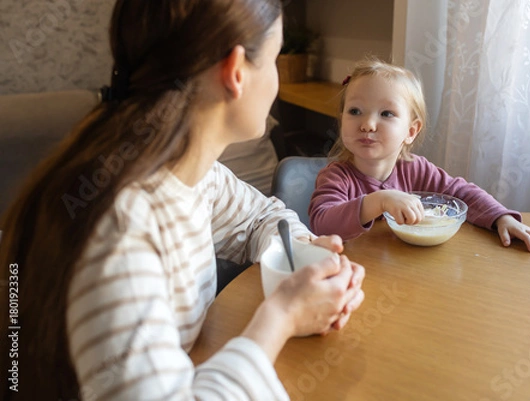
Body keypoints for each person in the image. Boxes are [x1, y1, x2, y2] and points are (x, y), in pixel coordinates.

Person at [0, 1, 365, 400]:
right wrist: (281, 316)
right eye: (275, 58)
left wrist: (300, 255)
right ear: (236, 71)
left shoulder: (191, 172)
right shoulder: (119, 225)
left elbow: (262, 216)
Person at [308, 58, 530, 253]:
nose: (368, 124)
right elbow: (322, 223)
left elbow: (462, 194)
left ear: (411, 131)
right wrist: (380, 200)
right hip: (356, 276)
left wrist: (502, 218)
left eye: (386, 114)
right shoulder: (336, 177)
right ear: (342, 121)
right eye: (355, 111)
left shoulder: (416, 170)